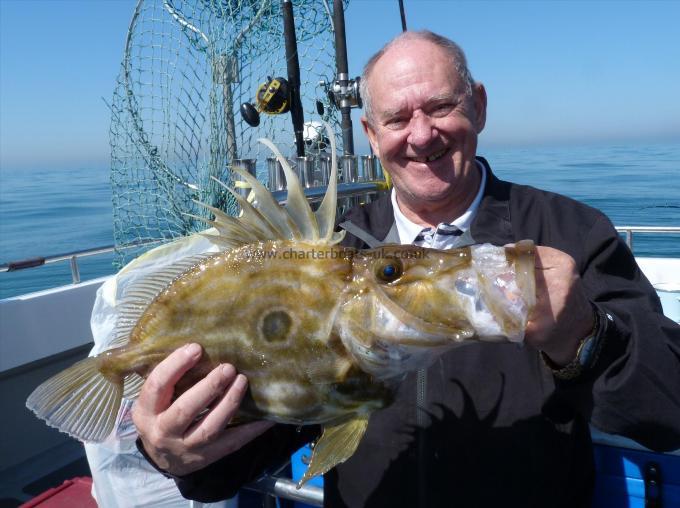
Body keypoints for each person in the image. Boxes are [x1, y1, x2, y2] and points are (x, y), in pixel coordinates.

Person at [131, 31, 680, 507]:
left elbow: (667, 410)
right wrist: (177, 454)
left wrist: (586, 335)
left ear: (479, 106)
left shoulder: (567, 233)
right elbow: (260, 434)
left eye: (440, 107)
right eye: (397, 118)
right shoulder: (332, 256)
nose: (421, 135)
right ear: (371, 135)